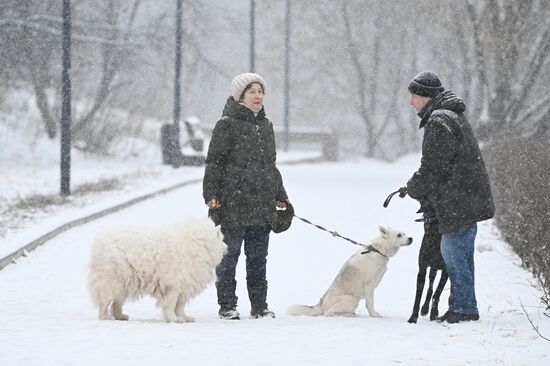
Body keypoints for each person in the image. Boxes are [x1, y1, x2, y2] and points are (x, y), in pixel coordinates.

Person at [405, 70, 495, 324]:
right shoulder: (451, 116)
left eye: (413, 96)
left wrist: (414, 187)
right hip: (466, 197)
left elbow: (434, 166)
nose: (411, 102)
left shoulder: (439, 121)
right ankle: (464, 304)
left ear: (425, 96)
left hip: (458, 200)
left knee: (453, 253)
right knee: (461, 254)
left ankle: (464, 308)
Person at [203, 72, 290, 320]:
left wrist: (280, 195)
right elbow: (214, 164)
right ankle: (227, 305)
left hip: (261, 205)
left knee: (258, 260)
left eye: (261, 91)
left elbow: (270, 166)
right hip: (232, 204)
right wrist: (211, 196)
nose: (258, 96)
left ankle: (259, 306)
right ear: (240, 96)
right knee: (228, 259)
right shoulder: (226, 124)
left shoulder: (266, 126)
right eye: (252, 91)